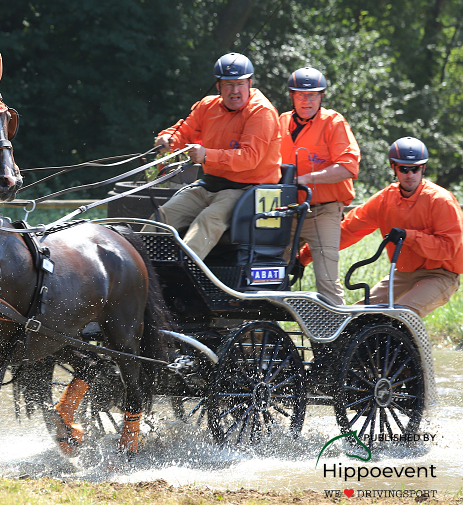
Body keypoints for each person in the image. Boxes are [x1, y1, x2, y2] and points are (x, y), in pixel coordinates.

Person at [299, 137, 463, 317]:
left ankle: (414, 346)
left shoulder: (441, 201)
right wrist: (303, 257)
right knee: (360, 316)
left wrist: (408, 236)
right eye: (404, 169)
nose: (410, 175)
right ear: (394, 168)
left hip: (440, 275)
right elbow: (348, 230)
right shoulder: (385, 199)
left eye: (415, 168)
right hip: (404, 275)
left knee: (399, 315)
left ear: (423, 168)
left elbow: (448, 249)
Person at [153, 52, 281, 259]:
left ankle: (183, 276)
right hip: (209, 185)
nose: (235, 91)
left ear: (250, 83)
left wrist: (206, 156)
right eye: (228, 85)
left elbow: (249, 158)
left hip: (246, 190)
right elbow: (182, 132)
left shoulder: (261, 112)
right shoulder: (207, 106)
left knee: (207, 221)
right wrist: (166, 139)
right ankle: (143, 272)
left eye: (240, 84)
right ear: (218, 85)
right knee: (160, 218)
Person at [281, 67, 360, 304]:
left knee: (326, 279)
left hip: (323, 210)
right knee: (269, 272)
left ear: (321, 96)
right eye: (301, 95)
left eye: (313, 95)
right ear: (292, 95)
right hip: (286, 210)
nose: (307, 100)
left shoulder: (334, 122)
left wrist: (303, 180)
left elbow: (348, 167)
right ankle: (262, 335)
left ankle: (337, 338)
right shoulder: (280, 121)